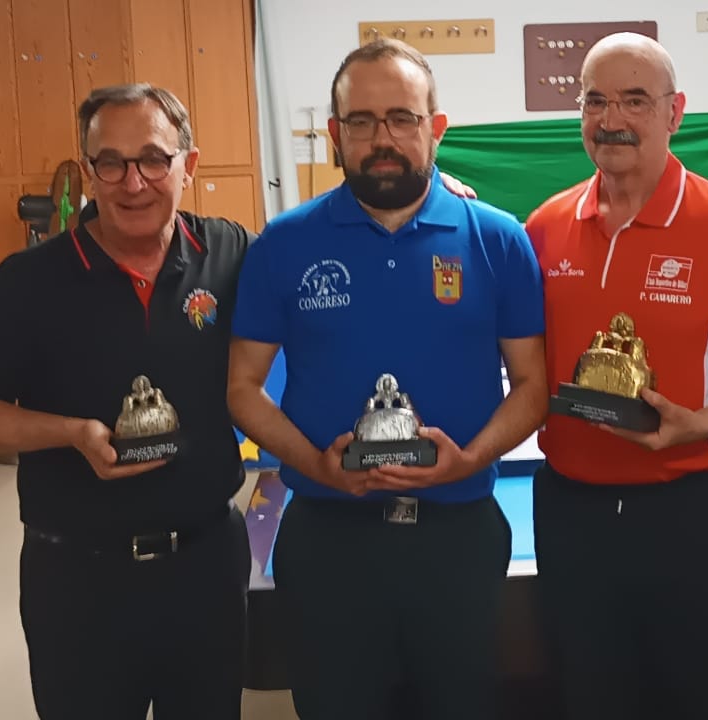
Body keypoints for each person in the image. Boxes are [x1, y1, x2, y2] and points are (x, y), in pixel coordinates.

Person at [225, 38, 546, 719]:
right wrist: (315, 462)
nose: (383, 139)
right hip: (328, 540)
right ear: (335, 134)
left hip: (458, 537)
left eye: (402, 118)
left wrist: (471, 459)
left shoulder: (497, 239)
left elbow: (532, 385)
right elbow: (243, 389)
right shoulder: (284, 242)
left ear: (436, 127)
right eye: (362, 122)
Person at [523, 32, 708, 719]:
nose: (612, 120)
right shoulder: (544, 226)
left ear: (674, 112)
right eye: (595, 101)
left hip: (693, 516)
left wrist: (705, 423)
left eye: (635, 100)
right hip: (573, 514)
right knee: (590, 700)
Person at [0, 84, 253, 719]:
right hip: (78, 582)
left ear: (189, 165)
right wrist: (72, 433)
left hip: (206, 567)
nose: (133, 183)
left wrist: (438, 192)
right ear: (87, 173)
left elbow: (316, 262)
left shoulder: (229, 252)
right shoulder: (29, 281)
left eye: (154, 159)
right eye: (111, 162)